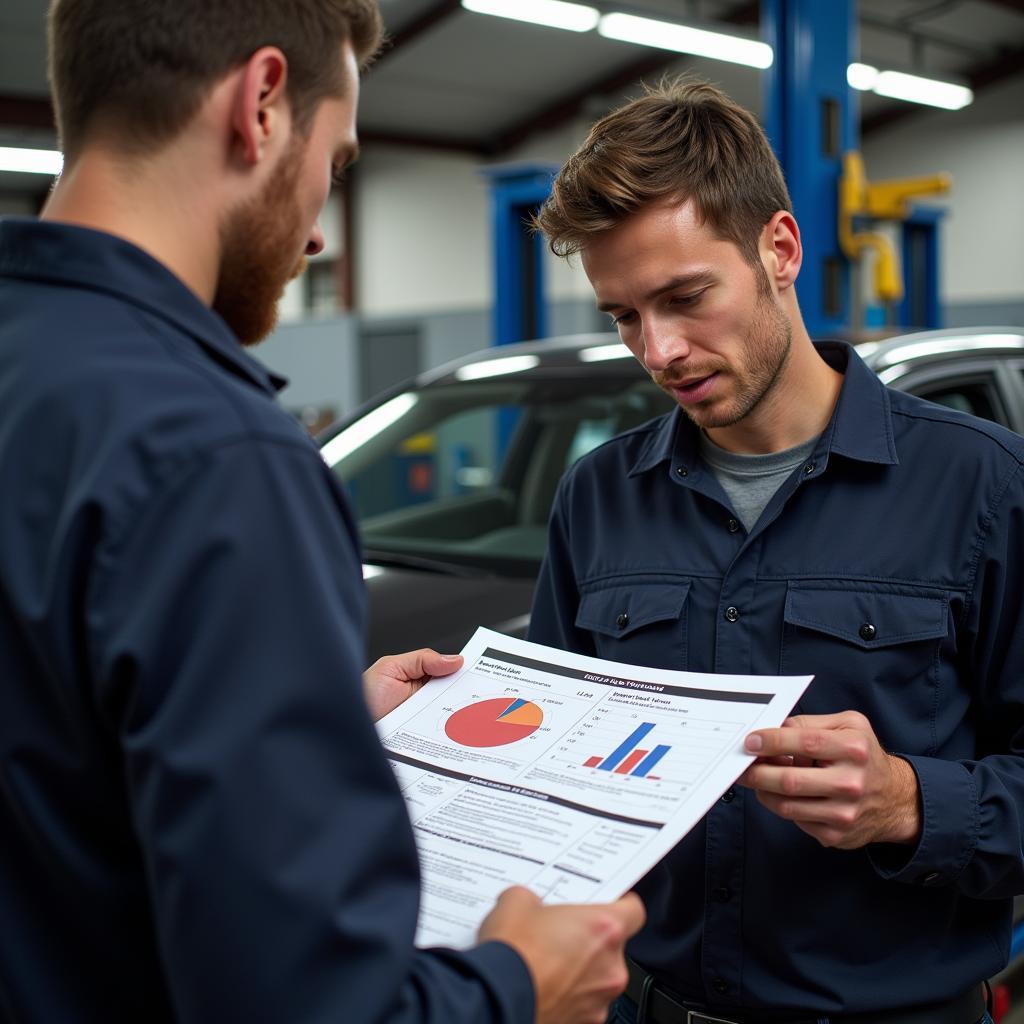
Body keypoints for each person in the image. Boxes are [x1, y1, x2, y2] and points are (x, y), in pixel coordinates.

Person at [0, 2, 644, 1022]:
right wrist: (520, 982)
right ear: (260, 104)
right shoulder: (214, 452)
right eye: (335, 165)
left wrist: (308, 712)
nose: (312, 233)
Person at [529, 77, 1024, 1024]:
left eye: (684, 297)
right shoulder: (597, 499)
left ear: (780, 249)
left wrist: (911, 802)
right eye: (625, 316)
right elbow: (555, 774)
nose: (659, 350)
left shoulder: (986, 487)